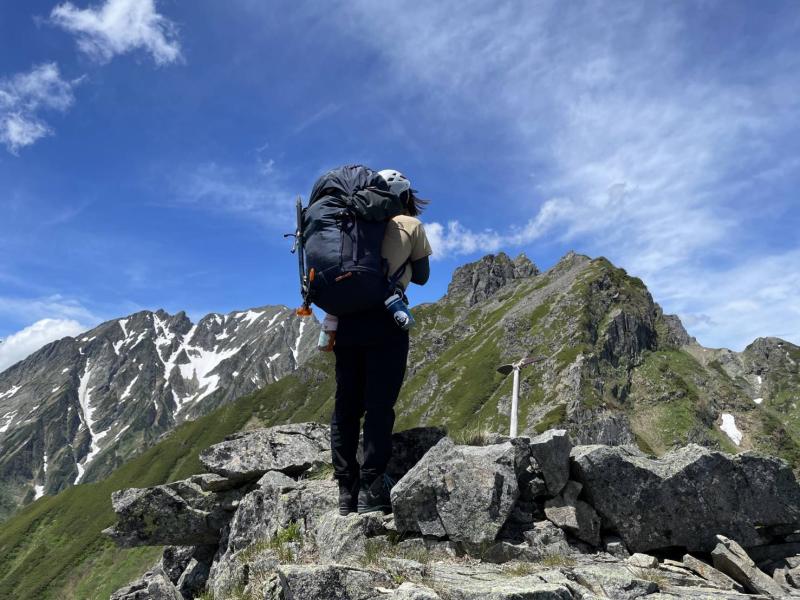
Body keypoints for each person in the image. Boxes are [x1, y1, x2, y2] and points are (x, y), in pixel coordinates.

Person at [330, 169, 432, 515]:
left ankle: (346, 490)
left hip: (346, 319)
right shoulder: (410, 225)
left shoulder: (348, 222)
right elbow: (422, 277)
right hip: (387, 318)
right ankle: (371, 487)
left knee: (346, 406)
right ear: (404, 195)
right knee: (378, 405)